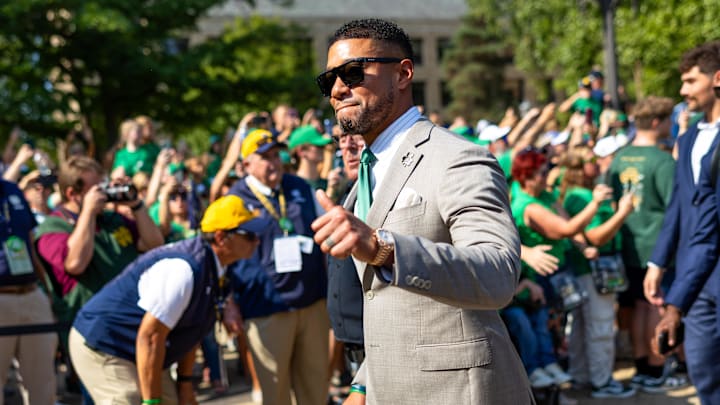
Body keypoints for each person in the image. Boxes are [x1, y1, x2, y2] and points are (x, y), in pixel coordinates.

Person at [311, 18, 531, 404]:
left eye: (352, 72)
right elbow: (388, 303)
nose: (338, 88)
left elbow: (498, 274)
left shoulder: (457, 158)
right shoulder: (369, 167)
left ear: (403, 74)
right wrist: (364, 385)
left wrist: (384, 249)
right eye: (328, 80)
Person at [68, 195, 263, 404]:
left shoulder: (218, 268)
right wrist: (152, 402)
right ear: (221, 237)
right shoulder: (184, 270)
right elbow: (150, 336)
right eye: (249, 235)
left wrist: (185, 383)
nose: (257, 240)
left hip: (141, 348)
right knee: (131, 400)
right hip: (106, 344)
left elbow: (193, 329)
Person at [227, 128, 330, 405]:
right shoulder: (234, 201)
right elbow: (222, 258)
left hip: (310, 304)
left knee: (316, 388)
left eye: (276, 155)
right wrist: (228, 303)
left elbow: (326, 234)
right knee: (275, 394)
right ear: (246, 164)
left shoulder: (299, 187)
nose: (274, 162)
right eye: (265, 157)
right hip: (265, 308)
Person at [643, 42, 720, 394]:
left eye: (690, 81)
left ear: (717, 79)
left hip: (704, 268)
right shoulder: (687, 138)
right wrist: (658, 261)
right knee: (703, 371)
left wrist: (675, 302)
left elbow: (710, 223)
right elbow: (678, 204)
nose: (682, 90)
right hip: (695, 275)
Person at [35, 156, 164, 352]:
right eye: (96, 189)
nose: (104, 193)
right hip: (89, 329)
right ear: (72, 194)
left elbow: (154, 244)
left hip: (128, 318)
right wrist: (88, 213)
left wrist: (136, 205)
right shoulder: (53, 227)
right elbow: (76, 263)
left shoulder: (111, 219)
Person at [606, 96, 676, 392]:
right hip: (657, 246)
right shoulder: (662, 160)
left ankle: (640, 367)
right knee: (656, 308)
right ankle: (656, 369)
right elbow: (676, 207)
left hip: (630, 244)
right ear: (658, 122)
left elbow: (609, 199)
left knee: (637, 306)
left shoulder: (621, 156)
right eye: (669, 119)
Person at [0, 178, 57, 405]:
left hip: (32, 293)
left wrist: (48, 291)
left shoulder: (12, 189)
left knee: (43, 382)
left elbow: (30, 244)